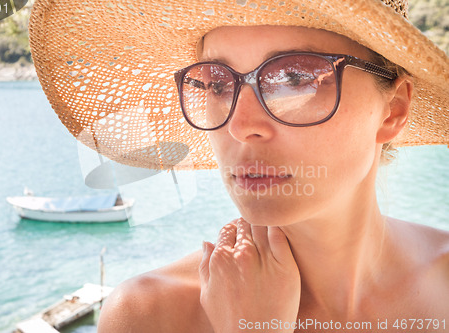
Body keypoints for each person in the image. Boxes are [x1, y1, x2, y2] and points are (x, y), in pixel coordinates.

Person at [28, 0, 449, 332]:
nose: (240, 124)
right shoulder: (148, 317)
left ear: (393, 110)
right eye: (216, 83)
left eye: (294, 78)